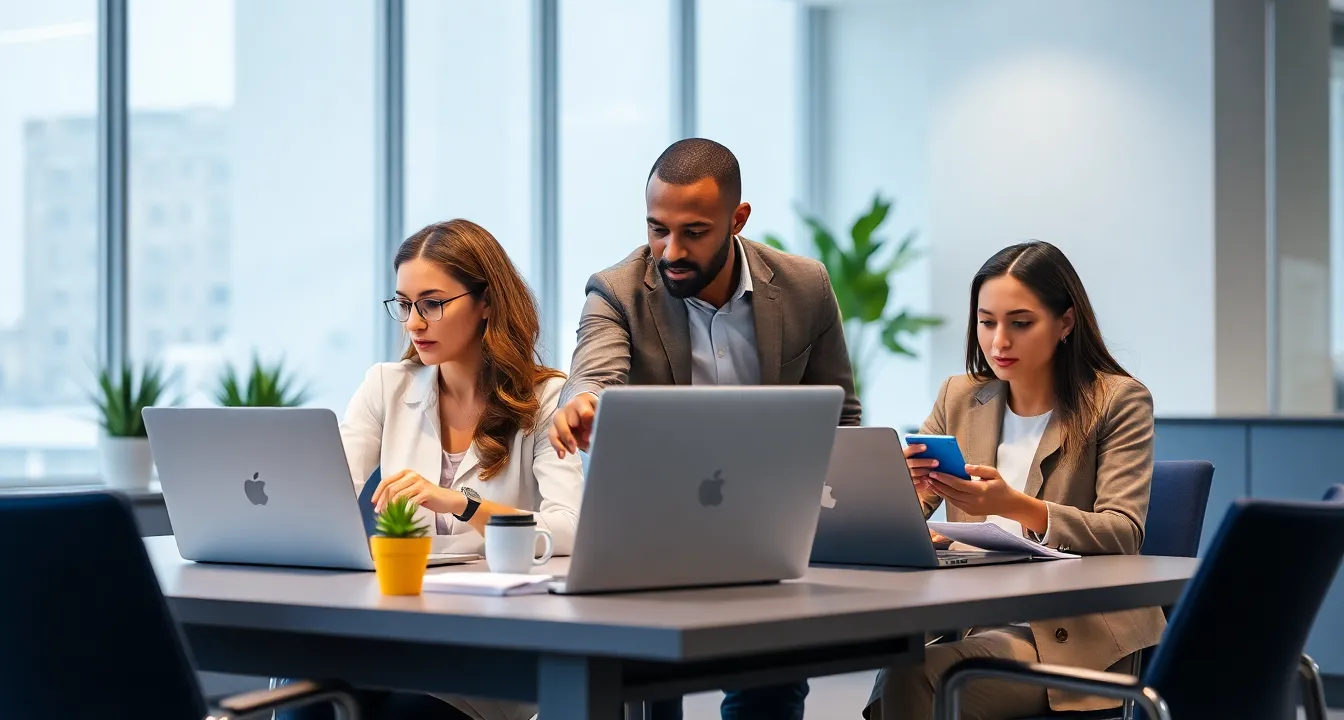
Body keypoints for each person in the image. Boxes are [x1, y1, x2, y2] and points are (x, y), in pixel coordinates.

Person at [549, 137, 861, 720]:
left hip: (764, 534)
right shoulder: (616, 291)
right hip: (647, 534)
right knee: (644, 692)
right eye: (657, 229)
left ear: (738, 219)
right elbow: (593, 374)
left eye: (693, 231)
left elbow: (840, 414)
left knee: (770, 687)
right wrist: (585, 402)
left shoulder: (804, 286)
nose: (670, 251)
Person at [283, 219, 583, 720]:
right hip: (391, 634)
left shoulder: (547, 398)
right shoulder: (387, 386)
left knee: (405, 714)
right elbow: (328, 495)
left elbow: (567, 529)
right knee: (304, 698)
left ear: (486, 302)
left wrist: (461, 504)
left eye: (432, 304)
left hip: (488, 652)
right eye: (404, 304)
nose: (414, 323)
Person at [864, 241, 1164, 720]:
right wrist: (913, 492)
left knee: (911, 678)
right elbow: (911, 513)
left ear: (1065, 323)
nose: (999, 341)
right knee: (896, 675)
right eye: (987, 322)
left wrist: (1017, 505)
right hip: (972, 622)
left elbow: (1123, 531)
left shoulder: (1117, 401)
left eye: (1020, 324)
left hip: (1068, 633)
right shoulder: (960, 396)